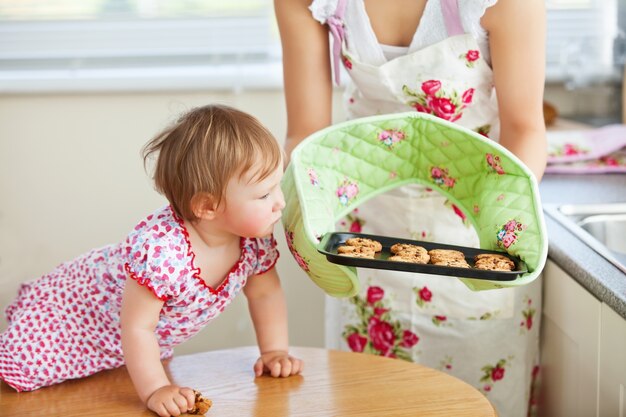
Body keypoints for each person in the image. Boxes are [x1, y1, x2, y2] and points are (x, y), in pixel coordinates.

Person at [275, 0, 546, 416]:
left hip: (477, 226)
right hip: (365, 232)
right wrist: (300, 210)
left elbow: (525, 128)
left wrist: (501, 232)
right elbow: (305, 135)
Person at [0, 104, 303, 417]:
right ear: (207, 206)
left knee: (114, 372)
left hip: (129, 338)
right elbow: (138, 327)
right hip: (79, 315)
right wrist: (156, 389)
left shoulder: (253, 241)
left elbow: (265, 294)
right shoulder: (161, 253)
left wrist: (274, 351)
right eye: (264, 195)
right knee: (26, 368)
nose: (280, 201)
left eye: (277, 185)